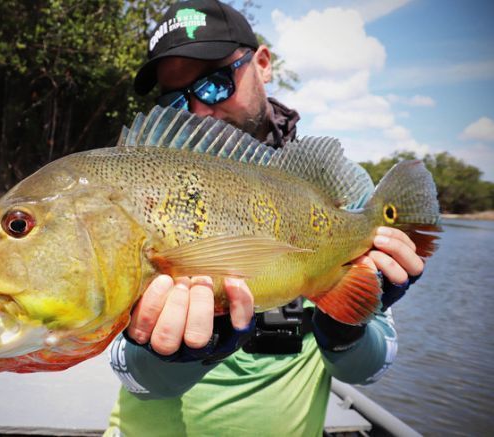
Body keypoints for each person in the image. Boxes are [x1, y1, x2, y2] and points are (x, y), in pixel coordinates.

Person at [105, 1, 424, 435]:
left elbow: (367, 371)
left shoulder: (337, 191)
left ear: (262, 63)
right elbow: (134, 377)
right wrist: (172, 353)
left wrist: (345, 328)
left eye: (217, 83)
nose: (199, 111)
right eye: (174, 99)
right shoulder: (134, 189)